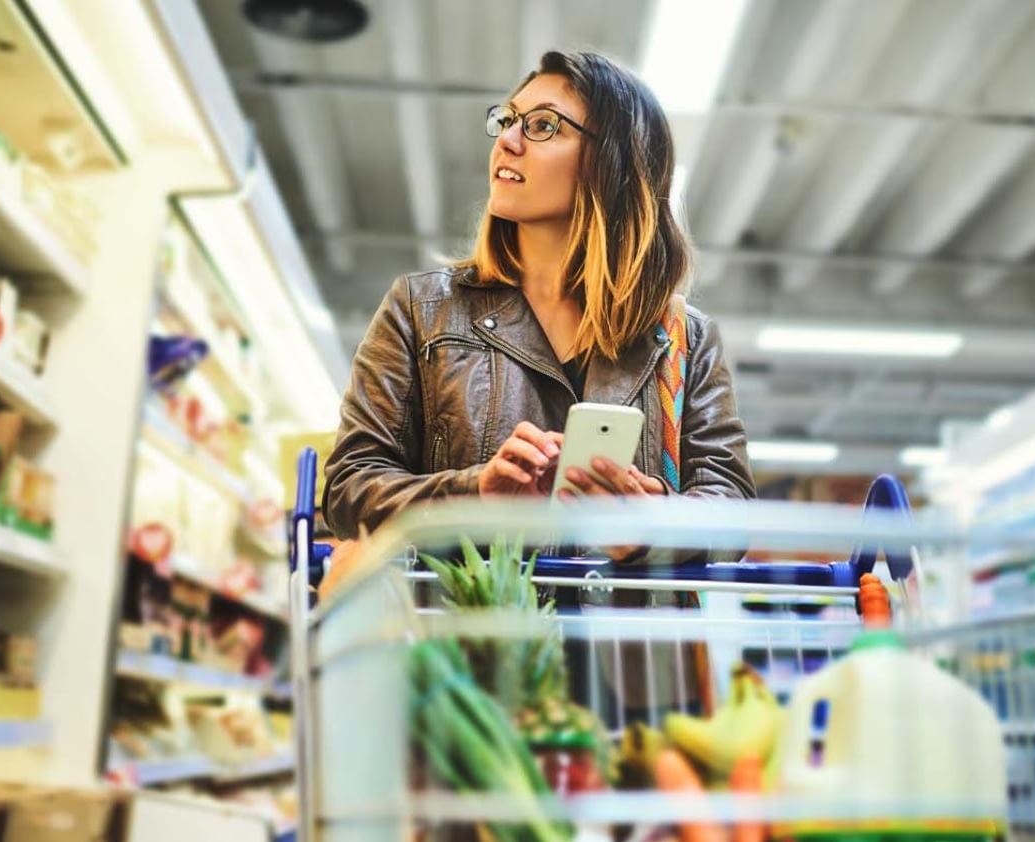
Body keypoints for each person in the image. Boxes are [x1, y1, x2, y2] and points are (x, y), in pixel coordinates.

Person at [322, 49, 756, 558]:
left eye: (543, 126)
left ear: (613, 162)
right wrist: (473, 494)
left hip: (626, 635)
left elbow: (733, 513)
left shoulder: (685, 336)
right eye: (507, 121)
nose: (507, 140)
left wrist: (650, 520)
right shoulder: (422, 309)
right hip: (468, 633)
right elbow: (348, 489)